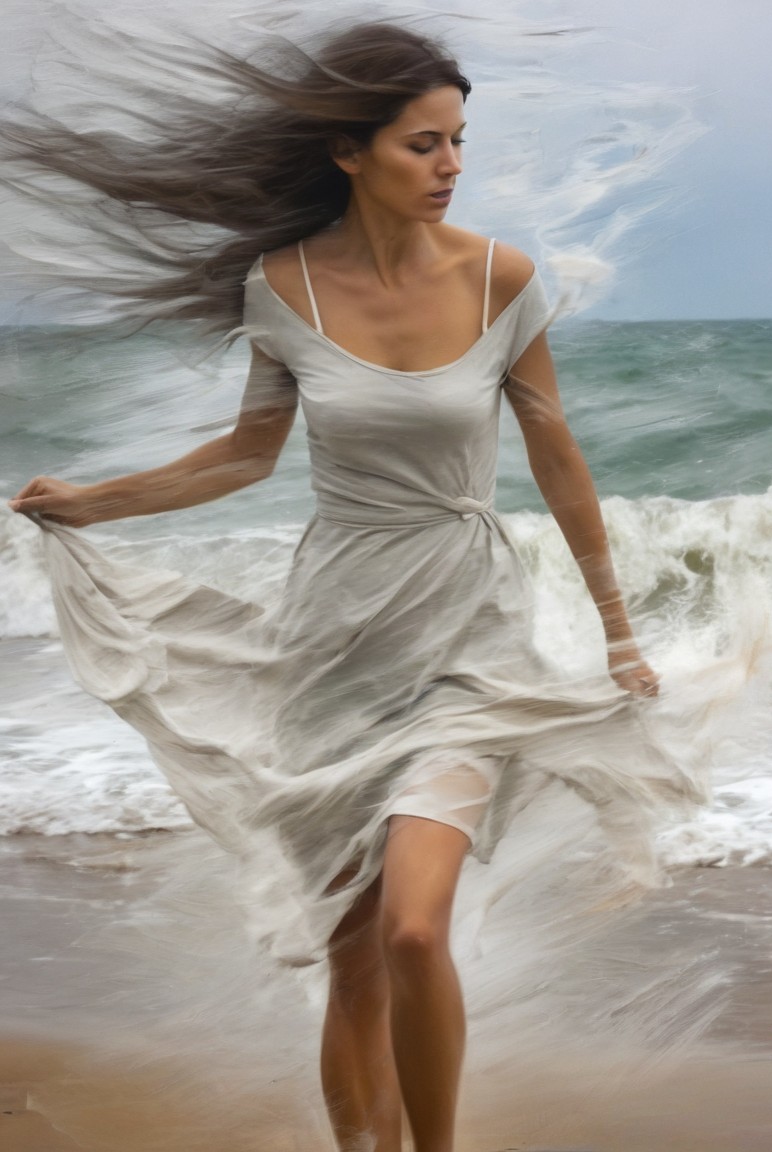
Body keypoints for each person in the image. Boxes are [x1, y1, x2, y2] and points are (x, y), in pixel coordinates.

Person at [6, 21, 704, 1152]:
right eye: (423, 145)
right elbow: (241, 458)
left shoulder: (501, 278)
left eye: (458, 143)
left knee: (417, 931)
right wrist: (92, 499)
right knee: (354, 949)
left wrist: (619, 631)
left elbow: (559, 460)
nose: (450, 166)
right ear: (349, 150)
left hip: (469, 633)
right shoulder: (280, 290)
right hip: (333, 641)